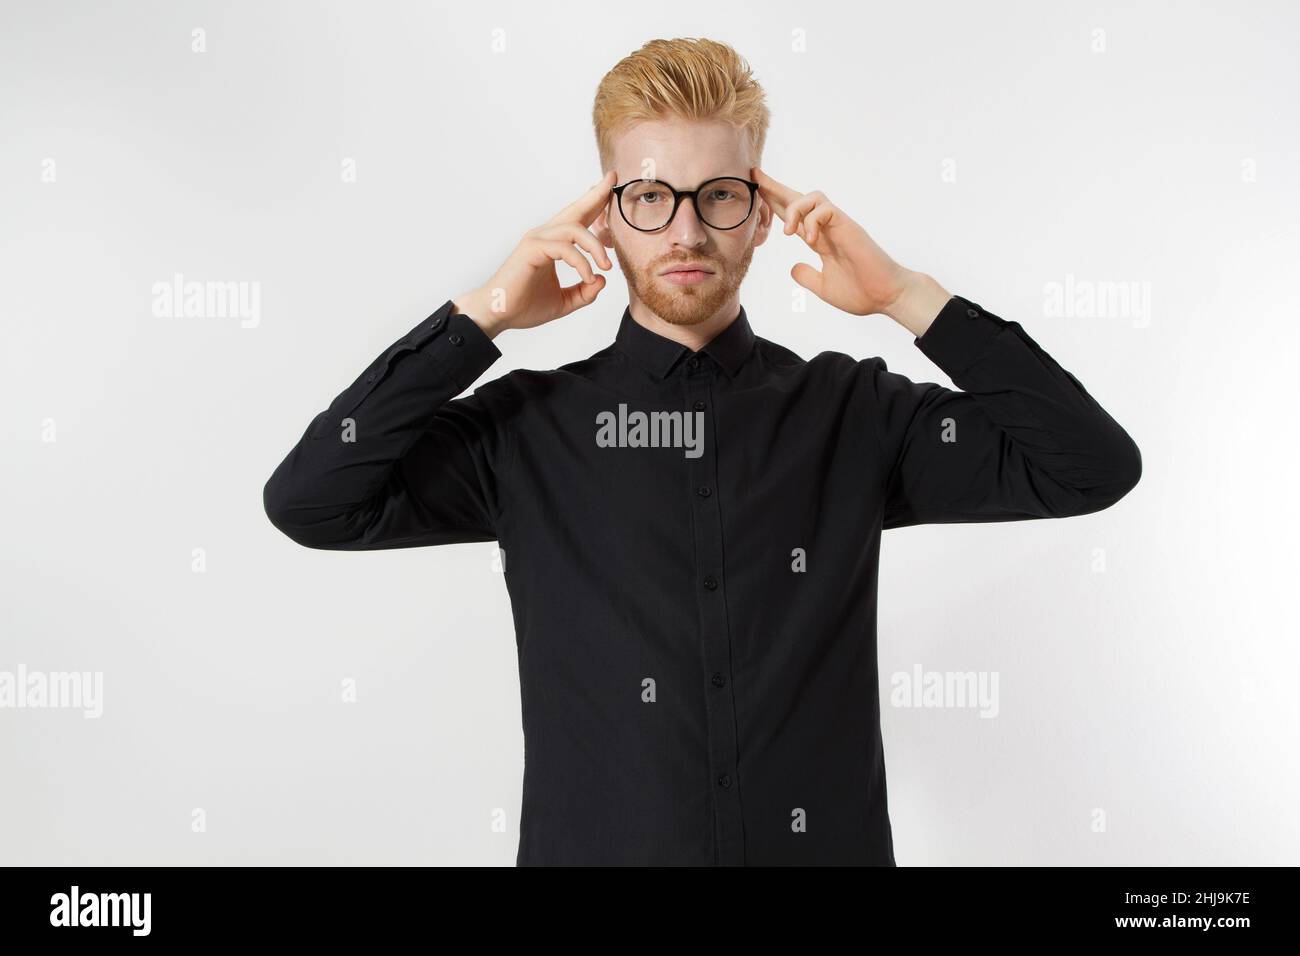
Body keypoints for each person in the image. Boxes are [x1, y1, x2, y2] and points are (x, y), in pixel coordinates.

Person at [263, 37, 1141, 865]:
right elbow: (312, 500)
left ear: (760, 215)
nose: (685, 233)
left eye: (719, 194)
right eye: (650, 197)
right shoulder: (522, 430)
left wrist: (910, 297)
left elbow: (1090, 465)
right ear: (608, 217)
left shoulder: (854, 412)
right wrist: (484, 313)